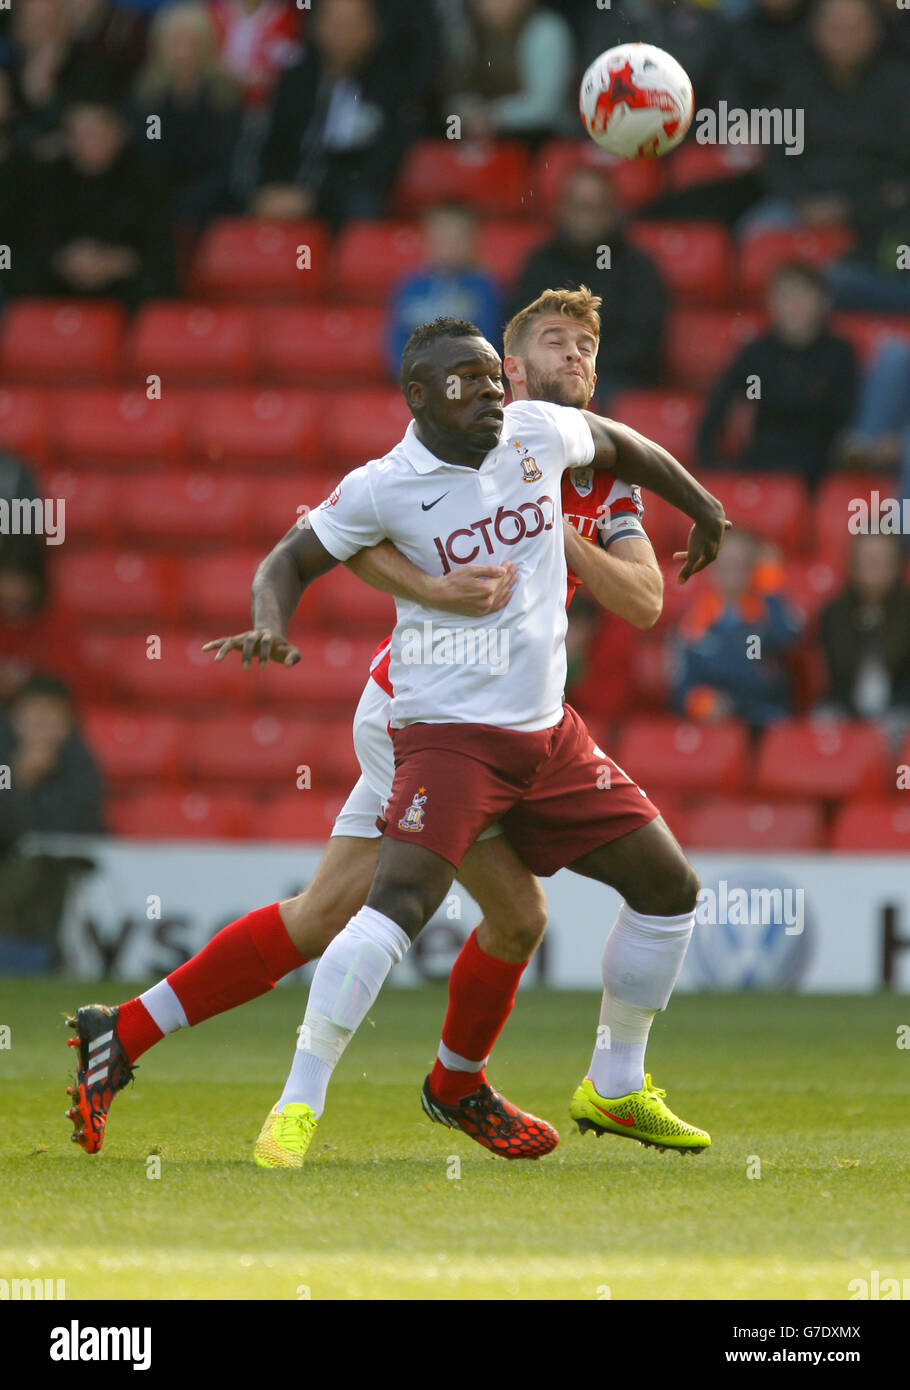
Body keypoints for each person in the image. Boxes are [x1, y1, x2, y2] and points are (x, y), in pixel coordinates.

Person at [64, 288, 670, 1164]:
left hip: (494, 716)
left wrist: (556, 532)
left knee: (356, 915)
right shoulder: (467, 443)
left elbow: (646, 600)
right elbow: (336, 533)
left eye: (587, 344)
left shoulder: (590, 465)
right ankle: (431, 1087)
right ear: (512, 368)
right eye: (552, 340)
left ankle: (123, 1030)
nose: (573, 355)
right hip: (429, 714)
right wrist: (428, 586)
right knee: (460, 914)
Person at [230, 315, 725, 1167]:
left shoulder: (534, 430)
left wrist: (705, 506)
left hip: (546, 734)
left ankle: (614, 1084)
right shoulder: (384, 486)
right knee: (397, 908)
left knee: (670, 888)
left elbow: (623, 443)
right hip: (448, 735)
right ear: (420, 396)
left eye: (495, 378)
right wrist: (269, 623)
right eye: (466, 381)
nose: (491, 393)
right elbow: (289, 559)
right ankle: (296, 1105)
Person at [251, 0, 417, 227]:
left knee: (362, 208)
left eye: (352, 25)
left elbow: (382, 163)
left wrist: (312, 197)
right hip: (285, 188)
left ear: (373, 31)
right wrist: (269, 190)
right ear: (316, 28)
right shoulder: (294, 80)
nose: (343, 35)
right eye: (335, 24)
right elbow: (269, 142)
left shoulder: (390, 87)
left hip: (343, 197)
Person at [507, 168, 666, 400]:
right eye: (578, 206)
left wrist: (579, 365)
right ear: (561, 209)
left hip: (611, 381)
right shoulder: (540, 262)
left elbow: (643, 342)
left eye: (593, 207)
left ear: (612, 211)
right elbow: (519, 327)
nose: (585, 217)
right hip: (544, 378)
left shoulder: (636, 267)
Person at [696, 261, 858, 487]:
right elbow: (718, 406)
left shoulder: (839, 353)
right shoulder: (757, 353)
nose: (793, 305)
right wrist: (711, 464)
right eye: (784, 296)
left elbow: (847, 418)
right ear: (770, 304)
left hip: (820, 469)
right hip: (762, 465)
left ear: (822, 302)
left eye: (802, 295)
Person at [30, 94, 176, 309]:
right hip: (60, 301)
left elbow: (162, 258)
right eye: (76, 135)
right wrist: (63, 260)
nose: (84, 144)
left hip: (131, 301)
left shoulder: (146, 179)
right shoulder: (50, 181)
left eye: (93, 134)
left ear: (117, 133)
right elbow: (26, 250)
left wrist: (117, 263)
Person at [131, 2, 243, 231]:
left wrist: (192, 202)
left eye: (192, 43)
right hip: (156, 205)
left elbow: (227, 161)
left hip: (213, 206)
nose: (183, 52)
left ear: (207, 47)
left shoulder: (225, 97)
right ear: (159, 47)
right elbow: (148, 155)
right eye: (175, 43)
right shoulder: (147, 99)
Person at [672, 529, 802, 727]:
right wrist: (702, 703)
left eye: (739, 565)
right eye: (723, 565)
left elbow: (789, 638)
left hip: (764, 717)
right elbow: (681, 682)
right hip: (712, 725)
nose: (730, 574)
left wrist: (770, 580)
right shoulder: (693, 617)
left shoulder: (768, 608)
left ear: (752, 570)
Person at [817, 533, 910, 749]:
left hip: (900, 708)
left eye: (880, 561)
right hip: (846, 708)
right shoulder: (833, 613)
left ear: (897, 565)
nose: (873, 569)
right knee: (821, 722)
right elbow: (835, 676)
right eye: (867, 560)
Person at [386, 203, 501, 377]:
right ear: (427, 239)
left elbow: (489, 342)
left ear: (474, 241)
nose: (448, 245)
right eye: (441, 237)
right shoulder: (409, 287)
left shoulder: (485, 288)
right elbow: (395, 340)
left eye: (457, 238)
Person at [443, 0, 575, 142]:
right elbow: (452, 93)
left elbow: (546, 107)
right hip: (476, 140)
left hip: (539, 141)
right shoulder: (464, 33)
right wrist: (467, 111)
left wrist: (494, 116)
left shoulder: (546, 32)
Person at [0, 675, 105, 850]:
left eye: (51, 714)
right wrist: (21, 781)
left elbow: (78, 826)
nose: (41, 724)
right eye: (33, 714)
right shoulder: (3, 763)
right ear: (14, 719)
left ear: (68, 723)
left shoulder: (80, 762)